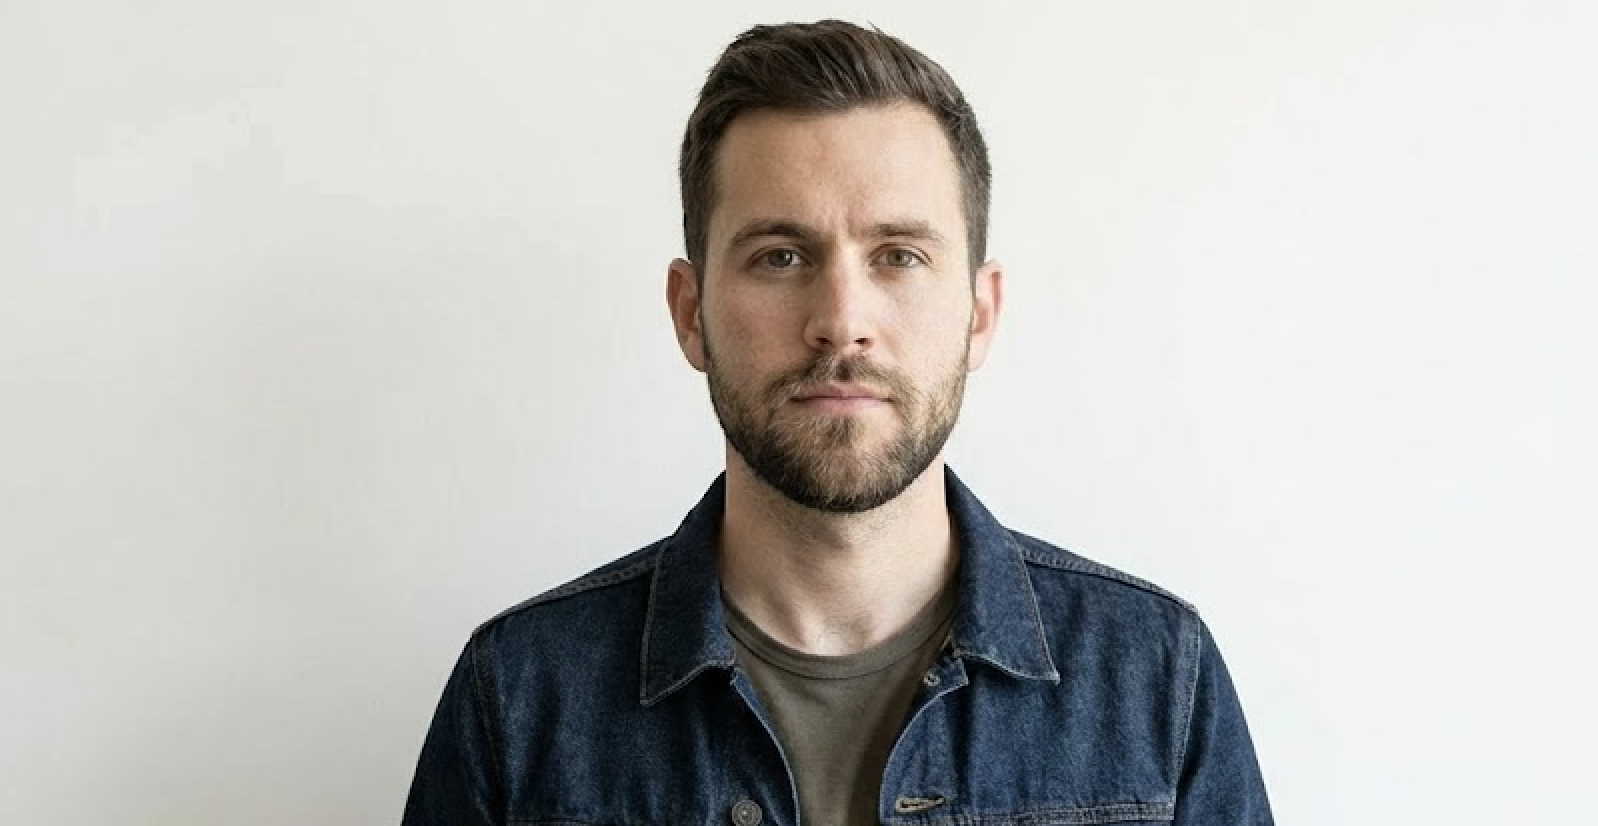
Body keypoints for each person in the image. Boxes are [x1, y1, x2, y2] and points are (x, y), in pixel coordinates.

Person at [402, 20, 1272, 826]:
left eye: (899, 256)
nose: (841, 319)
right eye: (780, 257)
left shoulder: (1160, 680)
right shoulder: (515, 699)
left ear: (979, 313)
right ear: (690, 312)